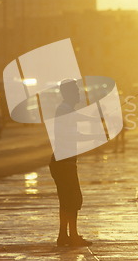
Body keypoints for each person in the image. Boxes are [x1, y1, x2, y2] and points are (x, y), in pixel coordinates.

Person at [49, 79, 96, 247]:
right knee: (73, 199)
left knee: (68, 200)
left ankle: (64, 236)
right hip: (63, 163)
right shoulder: (64, 110)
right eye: (75, 91)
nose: (78, 93)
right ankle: (71, 236)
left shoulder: (66, 110)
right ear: (68, 93)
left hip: (64, 161)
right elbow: (74, 135)